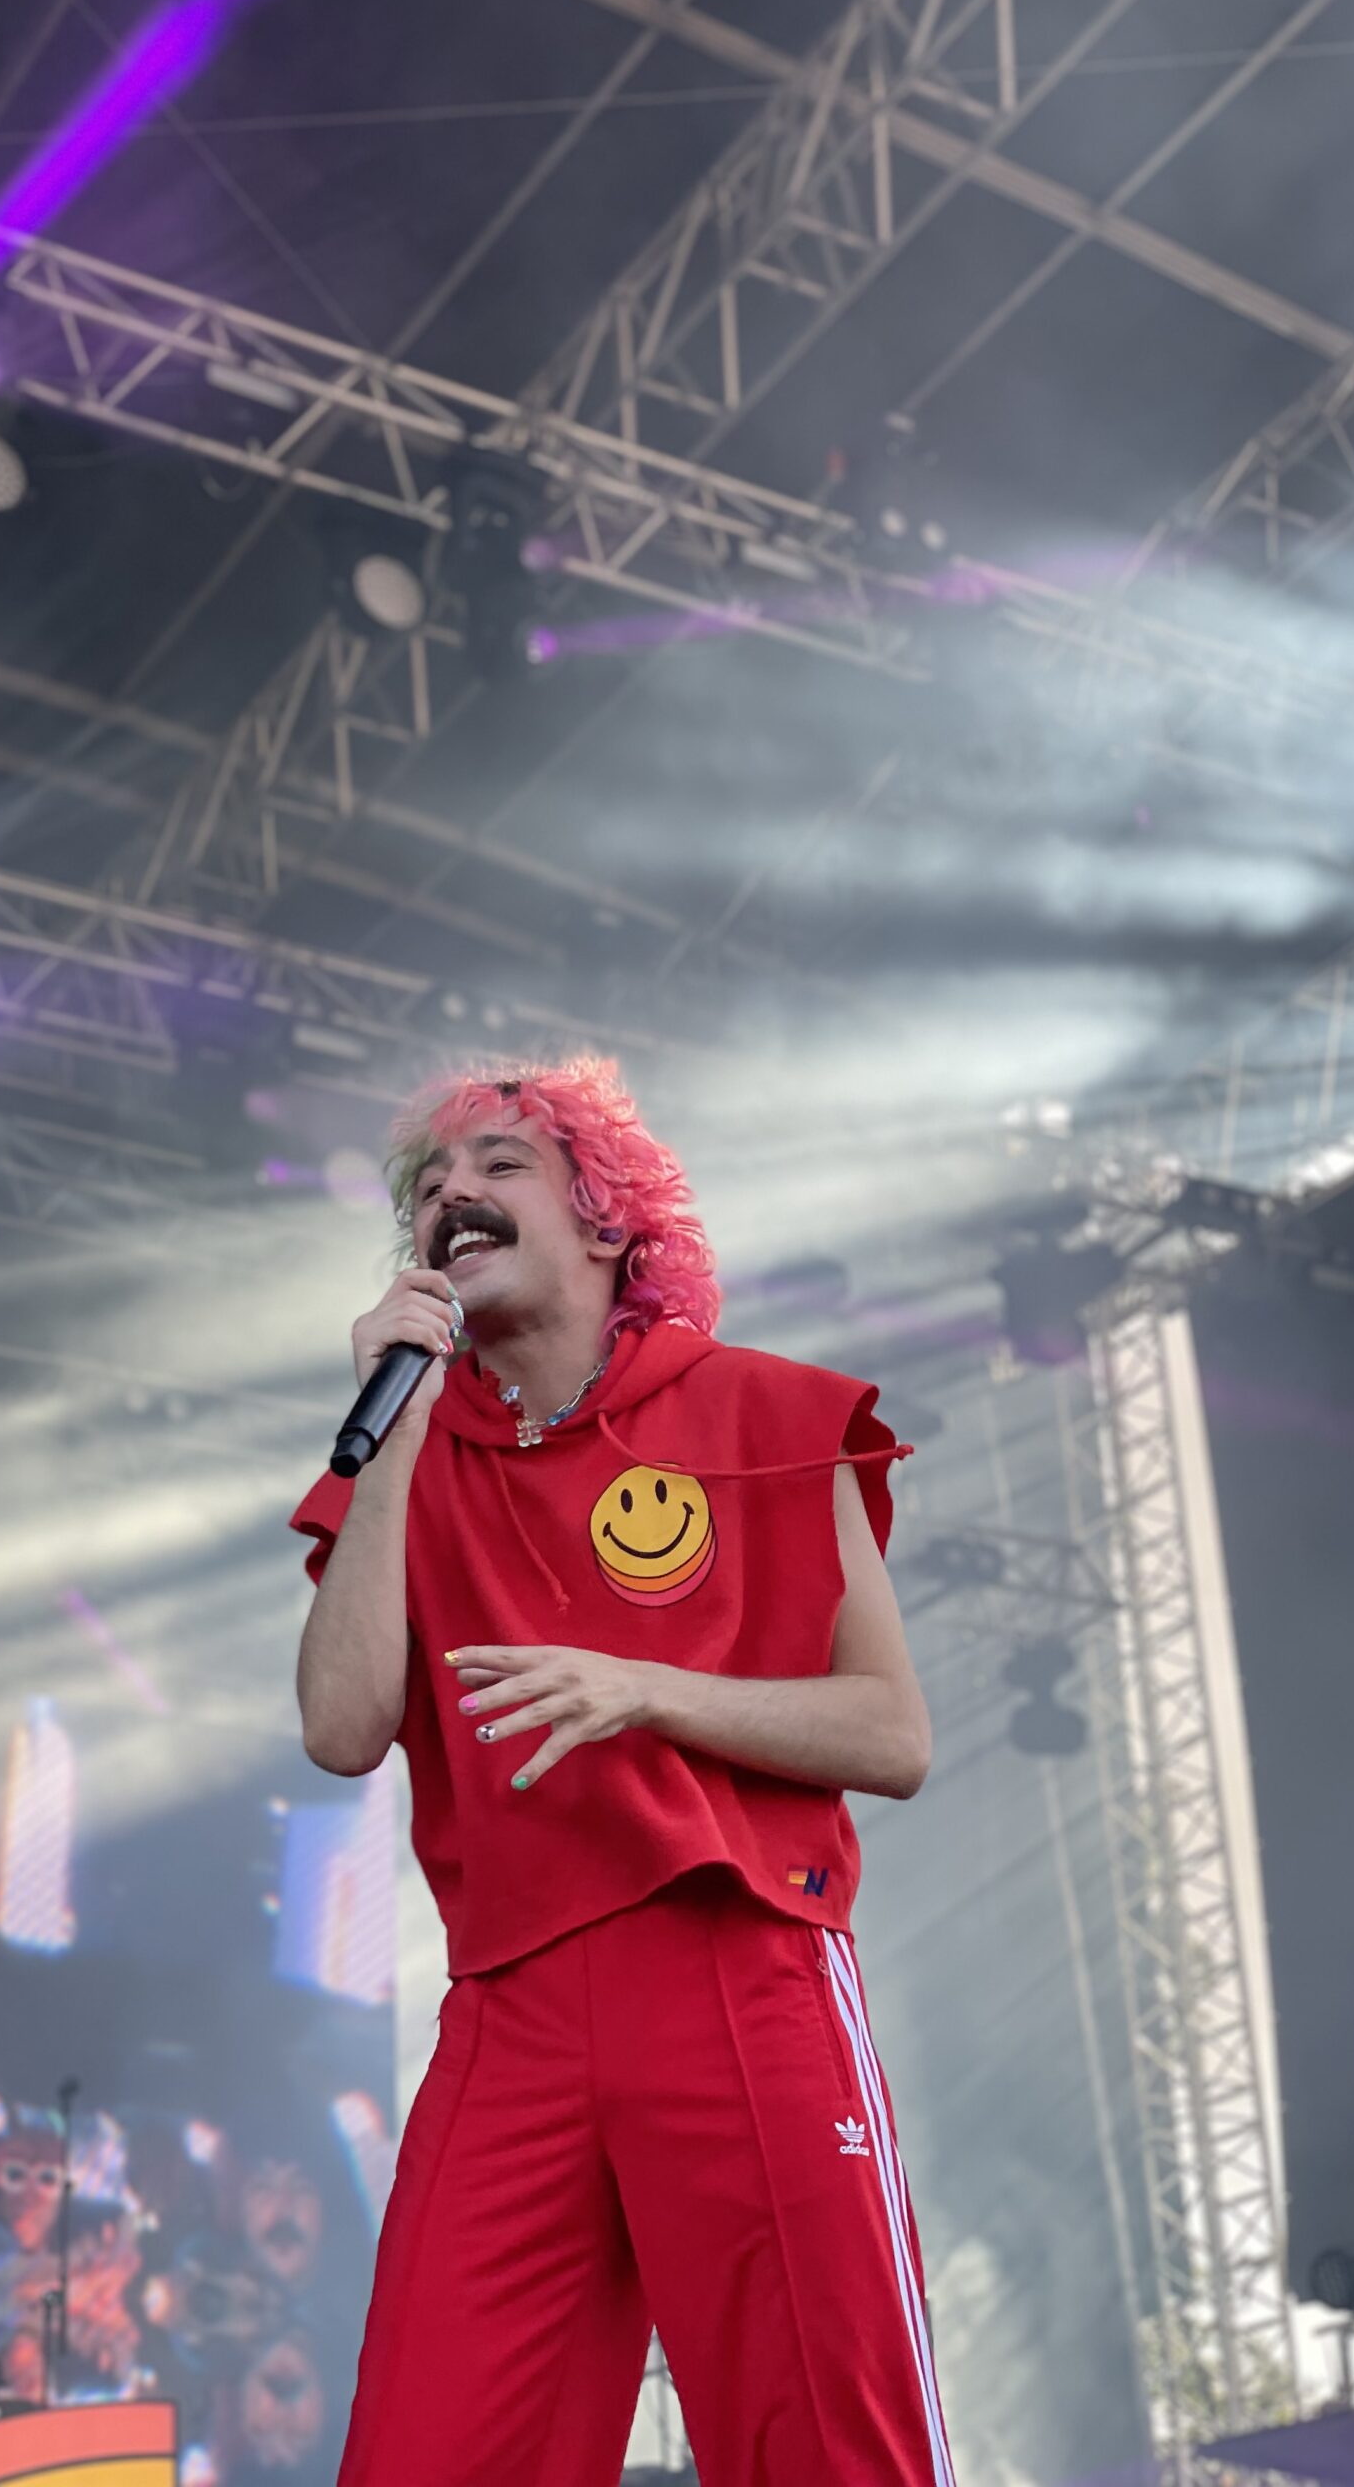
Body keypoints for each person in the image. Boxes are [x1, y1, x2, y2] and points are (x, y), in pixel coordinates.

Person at [290, 1058, 952, 2487]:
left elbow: (891, 1734)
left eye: (499, 1164)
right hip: (508, 2007)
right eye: (428, 1186)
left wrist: (646, 1691)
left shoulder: (761, 1414)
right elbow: (341, 1729)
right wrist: (386, 1444)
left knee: (827, 2445)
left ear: (606, 1220)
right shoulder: (403, 1447)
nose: (452, 1194)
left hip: (735, 1962)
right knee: (425, 2452)